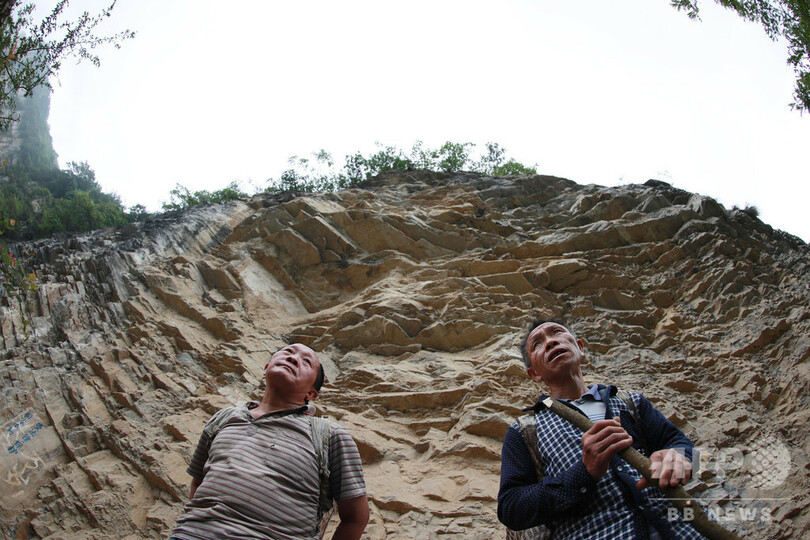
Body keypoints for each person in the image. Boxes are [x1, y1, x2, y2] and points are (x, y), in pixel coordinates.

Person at [498, 319, 704, 539]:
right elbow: (511, 508)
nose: (550, 342)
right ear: (534, 374)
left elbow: (682, 445)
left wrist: (679, 458)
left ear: (580, 347)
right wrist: (583, 473)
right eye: (537, 344)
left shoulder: (630, 402)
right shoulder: (525, 431)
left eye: (557, 332)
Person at [171, 343, 369, 540]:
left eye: (306, 362)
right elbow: (198, 482)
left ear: (311, 393)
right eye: (288, 352)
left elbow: (356, 518)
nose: (292, 358)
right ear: (266, 368)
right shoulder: (224, 418)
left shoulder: (329, 435)